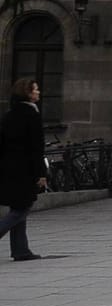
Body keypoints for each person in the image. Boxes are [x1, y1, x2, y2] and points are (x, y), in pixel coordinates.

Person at [0, 78, 49, 262]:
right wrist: (41, 174)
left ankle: (20, 250)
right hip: (25, 169)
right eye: (35, 90)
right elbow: (36, 148)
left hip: (8, 168)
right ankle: (20, 249)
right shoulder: (31, 115)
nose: (38, 93)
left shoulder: (9, 114)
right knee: (22, 208)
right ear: (27, 93)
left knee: (18, 206)